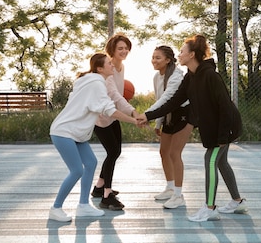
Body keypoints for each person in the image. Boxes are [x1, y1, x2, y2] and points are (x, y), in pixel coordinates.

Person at [137, 35, 247, 222]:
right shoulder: (190, 77)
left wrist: (222, 137)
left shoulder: (211, 76)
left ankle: (210, 208)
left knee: (210, 161)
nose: (179, 55)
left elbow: (225, 107)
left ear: (192, 55)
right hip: (216, 129)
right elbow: (173, 102)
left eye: (182, 51)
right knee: (221, 162)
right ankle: (238, 201)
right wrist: (148, 115)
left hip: (225, 128)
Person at [49, 53, 138, 222]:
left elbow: (107, 105)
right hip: (64, 131)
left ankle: (83, 205)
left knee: (91, 163)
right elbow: (109, 110)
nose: (112, 65)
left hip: (77, 133)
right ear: (100, 68)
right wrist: (134, 120)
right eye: (109, 64)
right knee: (77, 170)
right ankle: (56, 208)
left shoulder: (92, 81)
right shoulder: (96, 84)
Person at [91, 33, 138, 211]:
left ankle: (99, 187)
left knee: (115, 151)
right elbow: (116, 96)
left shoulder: (121, 67)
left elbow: (119, 94)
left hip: (113, 114)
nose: (124, 51)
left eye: (126, 48)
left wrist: (131, 110)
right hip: (102, 118)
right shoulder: (107, 69)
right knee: (112, 152)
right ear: (112, 50)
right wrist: (133, 112)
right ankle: (106, 196)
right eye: (120, 48)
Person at [146, 45, 193, 209]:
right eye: (153, 57)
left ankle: (178, 195)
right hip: (168, 114)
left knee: (174, 153)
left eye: (158, 57)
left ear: (167, 60)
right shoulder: (156, 77)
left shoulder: (176, 76)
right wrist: (158, 122)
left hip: (182, 114)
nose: (154, 60)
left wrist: (146, 115)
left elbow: (167, 98)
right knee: (164, 152)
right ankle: (170, 187)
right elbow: (160, 99)